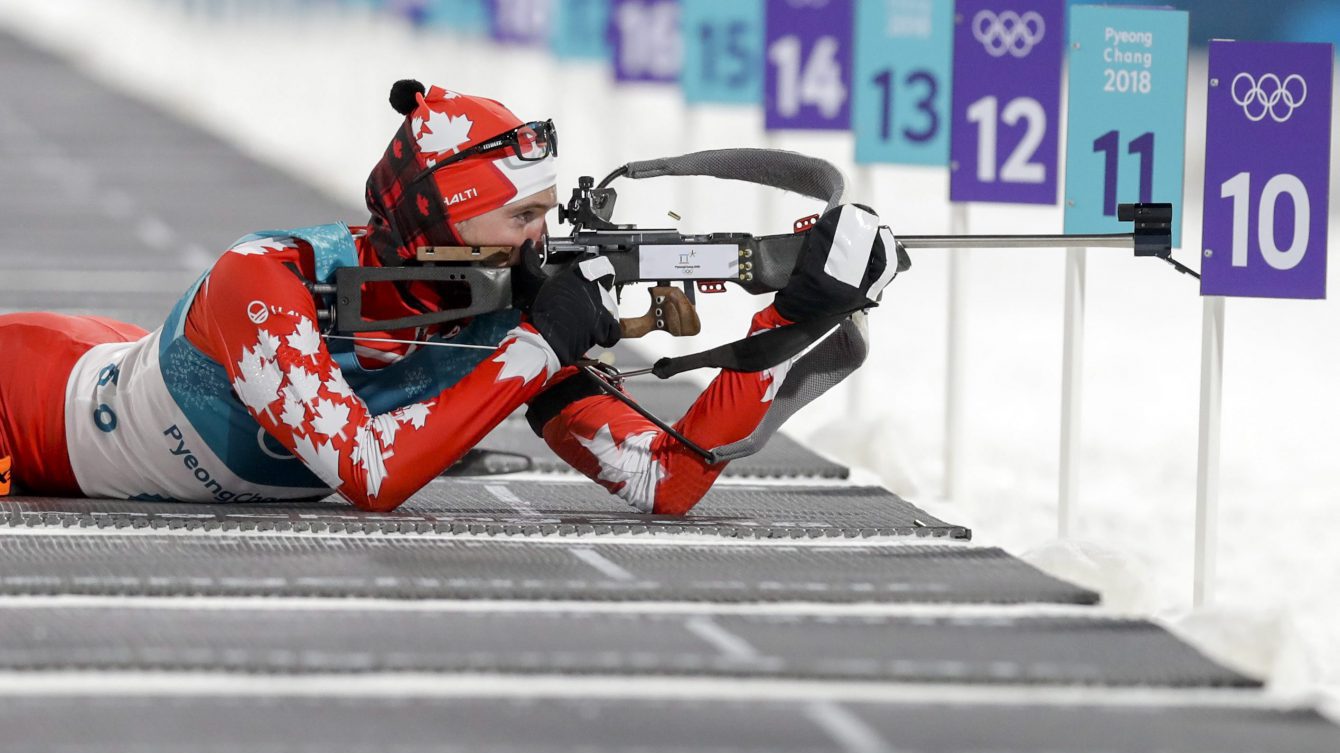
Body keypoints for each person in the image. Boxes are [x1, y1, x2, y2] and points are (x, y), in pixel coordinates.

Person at [0, 80, 894, 514]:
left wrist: (796, 315)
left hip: (119, 367)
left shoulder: (509, 302)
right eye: (525, 218)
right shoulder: (260, 283)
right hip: (27, 400)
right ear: (445, 225)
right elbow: (373, 477)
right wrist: (539, 347)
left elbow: (668, 478)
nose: (545, 241)